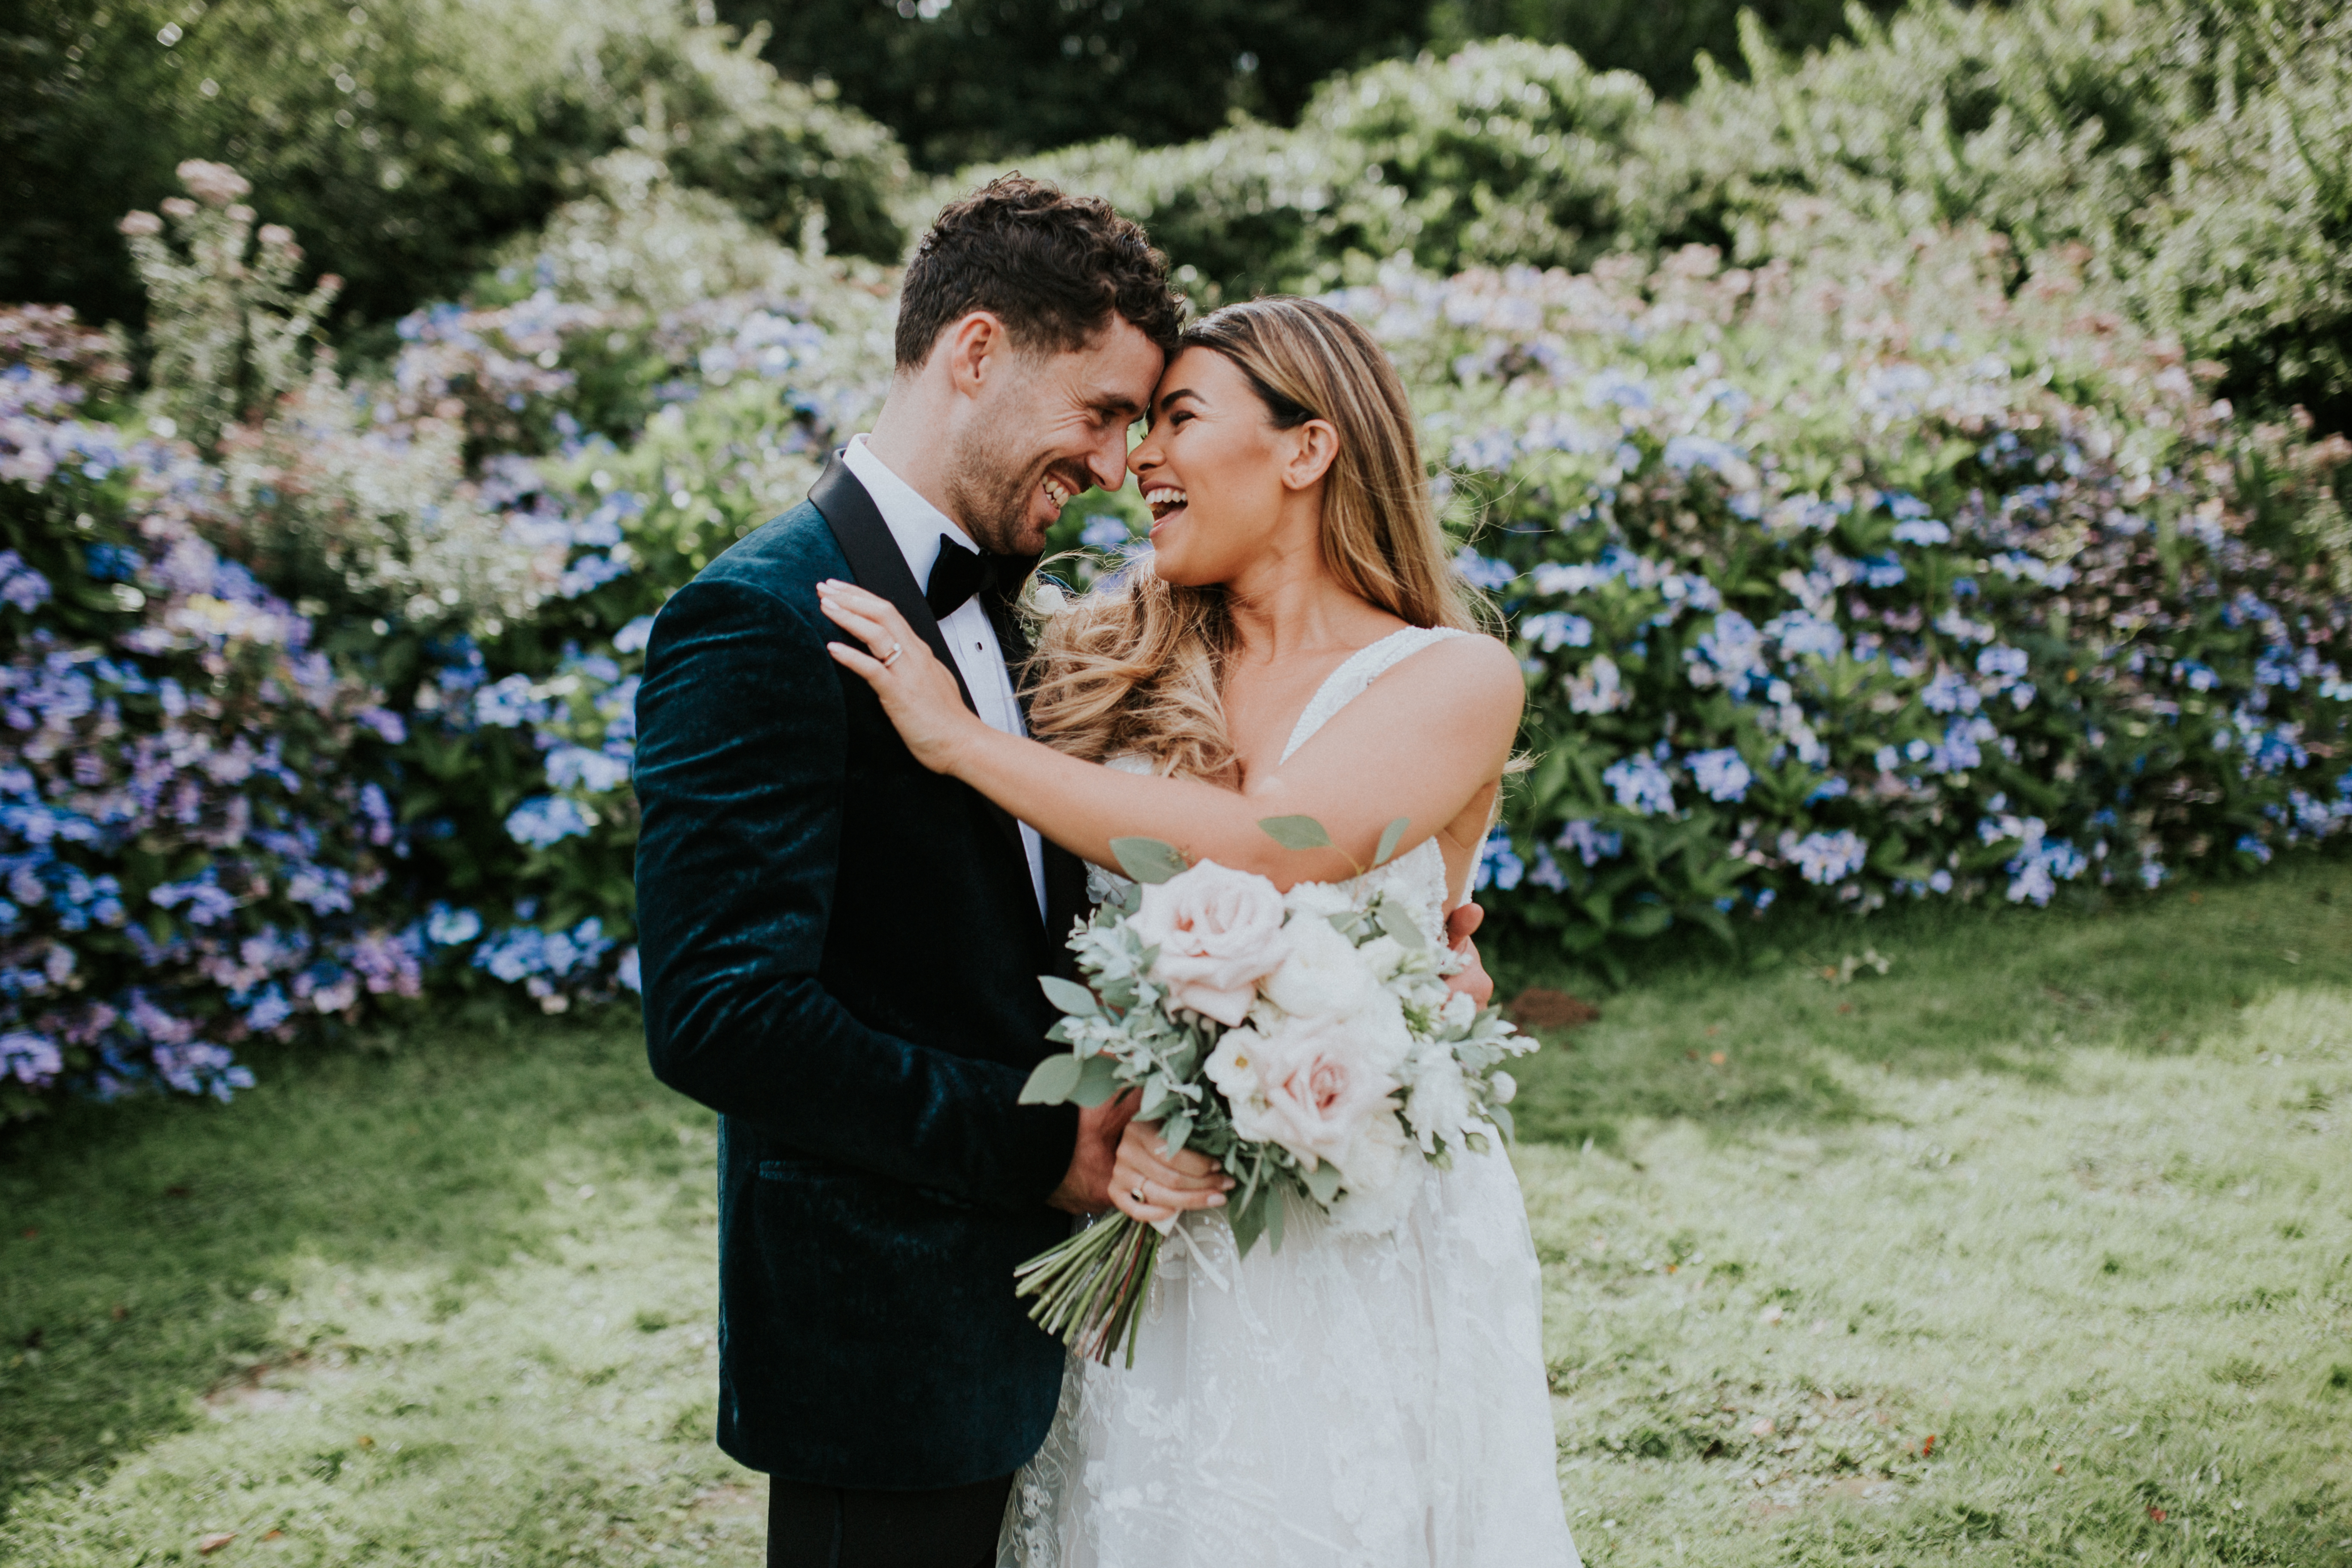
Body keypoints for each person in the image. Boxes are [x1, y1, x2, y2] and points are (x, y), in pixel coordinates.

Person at [816, 296, 1579, 1566]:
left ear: (1305, 449)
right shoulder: (1095, 658)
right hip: (1139, 1232)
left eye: (1175, 418)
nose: (1135, 461)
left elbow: (1278, 843)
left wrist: (962, 743)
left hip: (1350, 1249)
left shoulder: (1454, 677)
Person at [633, 177, 1185, 1568]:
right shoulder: (754, 617)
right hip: (869, 1337)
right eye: (1104, 409)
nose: (1118, 463)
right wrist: (1033, 1142)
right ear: (977, 351)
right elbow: (719, 1012)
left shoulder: (1016, 609)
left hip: (1025, 1331)